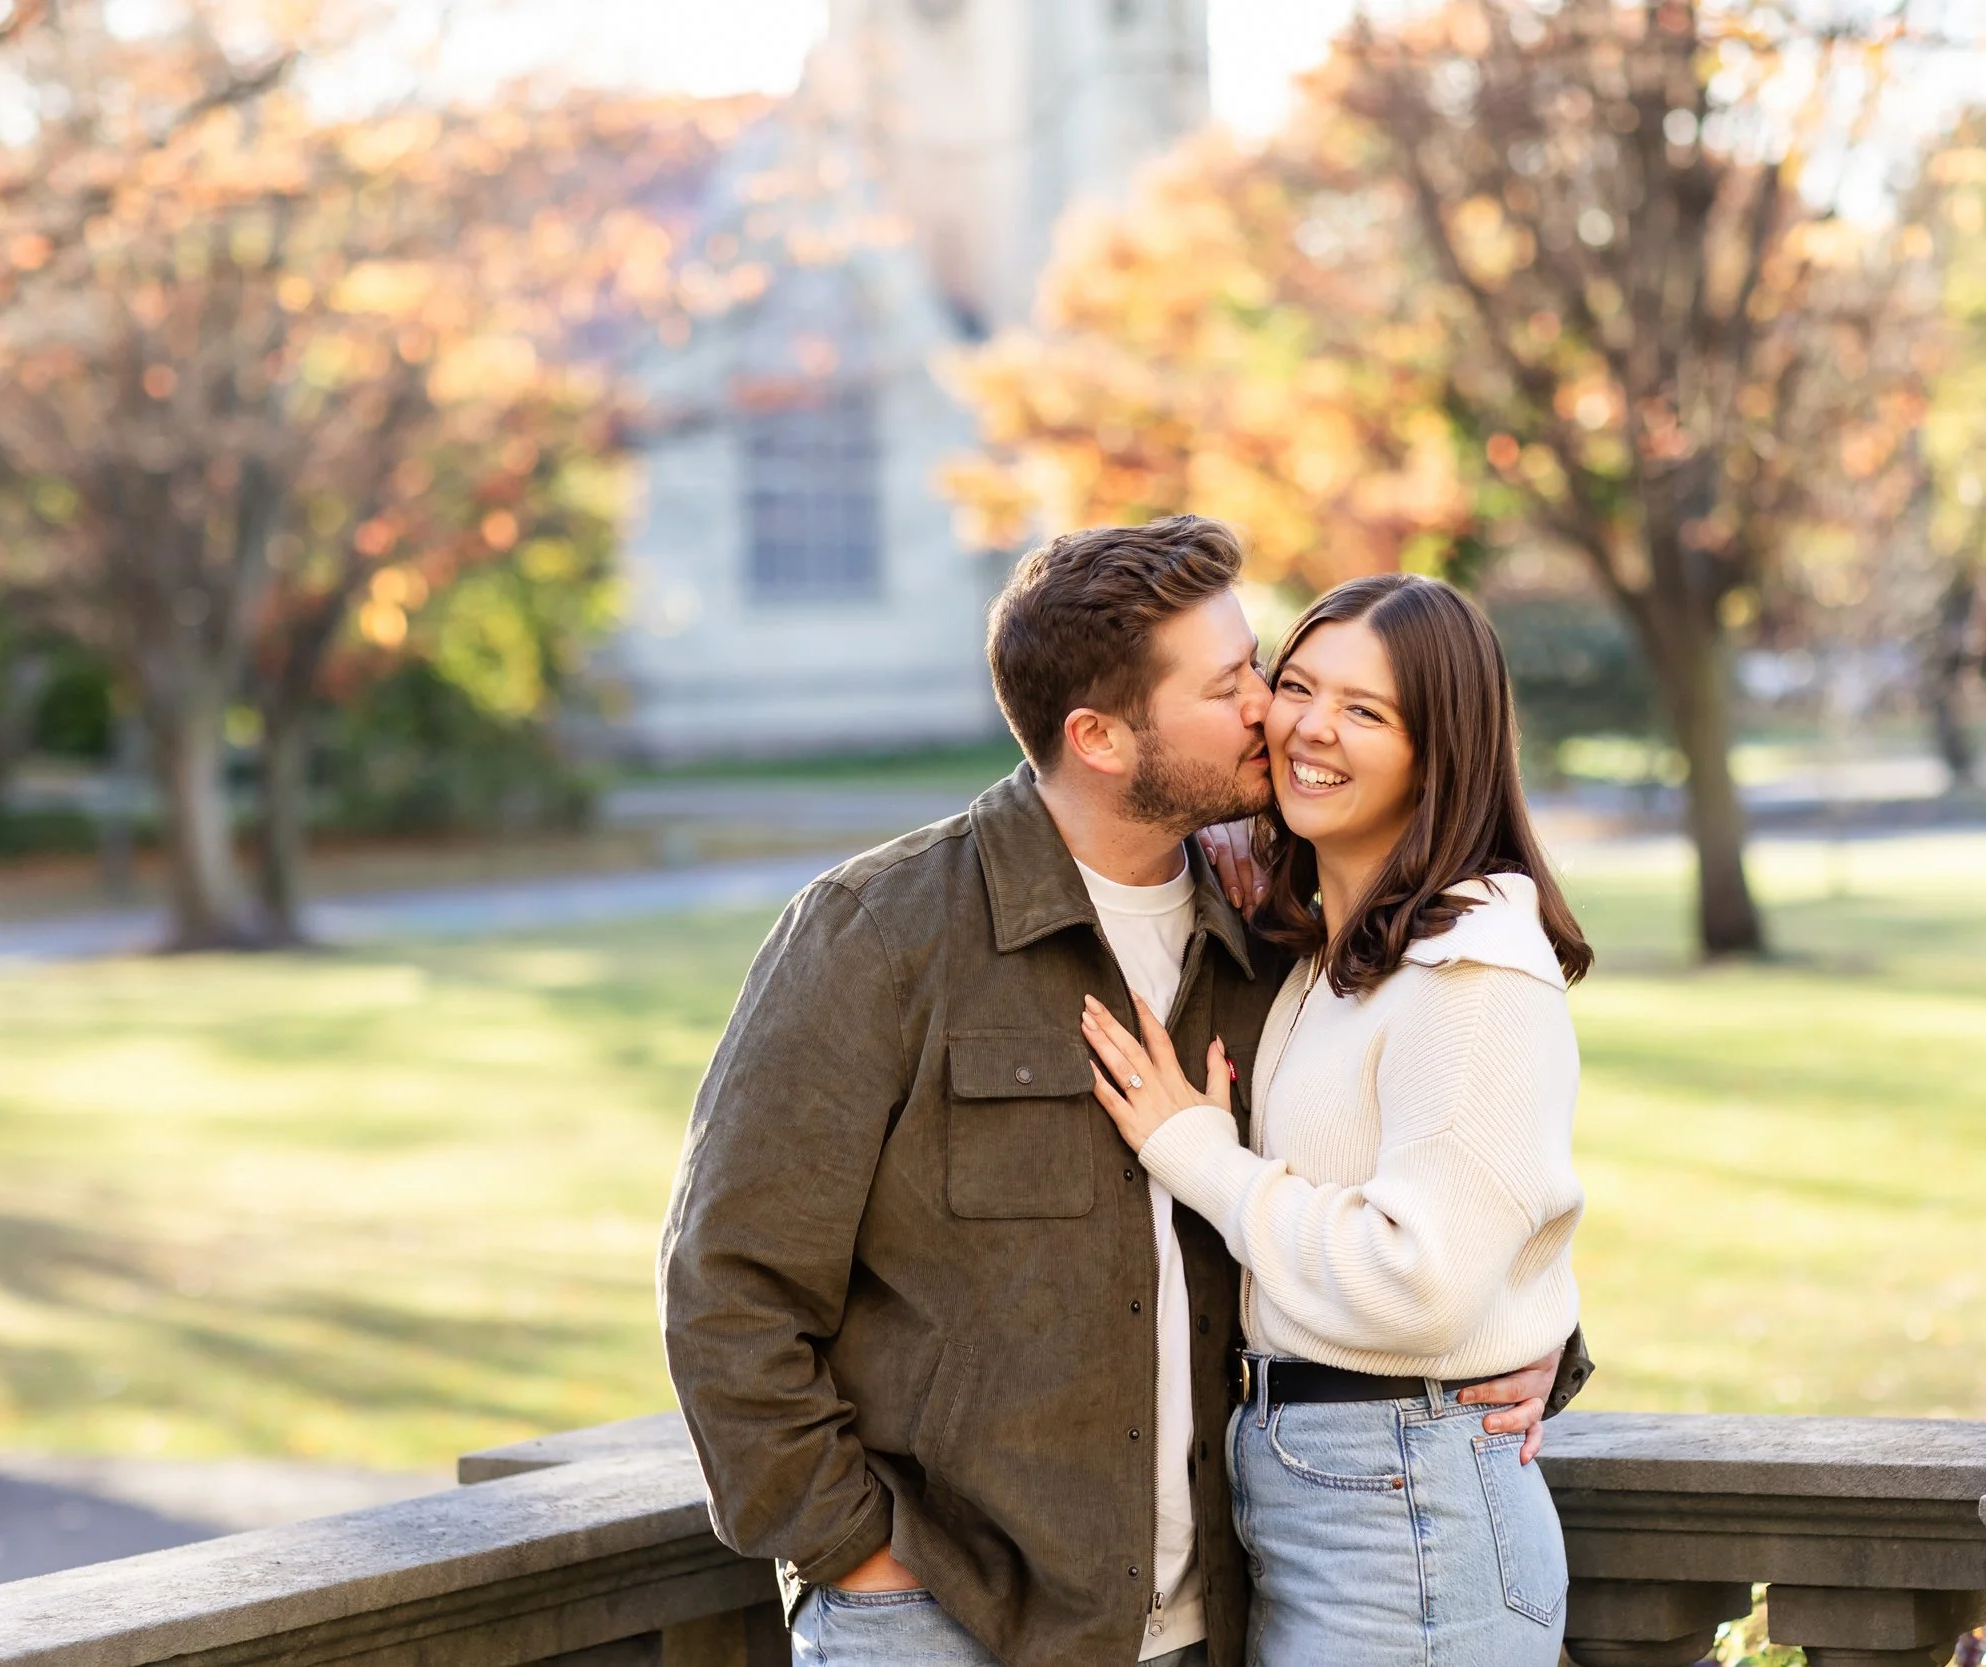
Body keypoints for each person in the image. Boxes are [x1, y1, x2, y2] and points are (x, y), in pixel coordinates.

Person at [658, 519, 1583, 1667]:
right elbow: (727, 1286)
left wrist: (1527, 1338)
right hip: (948, 1617)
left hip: (1222, 1616)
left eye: (1258, 665)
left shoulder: (1266, 940)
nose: (1270, 710)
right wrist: (853, 1552)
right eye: (1233, 685)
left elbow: (1435, 1178)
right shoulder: (881, 934)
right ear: (1098, 736)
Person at [1083, 573, 1592, 1667]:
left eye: (1365, 710)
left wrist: (1202, 1159)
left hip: (1404, 1512)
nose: (1311, 726)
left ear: (1439, 751)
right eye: (1297, 684)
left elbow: (1423, 1277)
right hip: (1337, 1491)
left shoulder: (1473, 969)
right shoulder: (1337, 954)